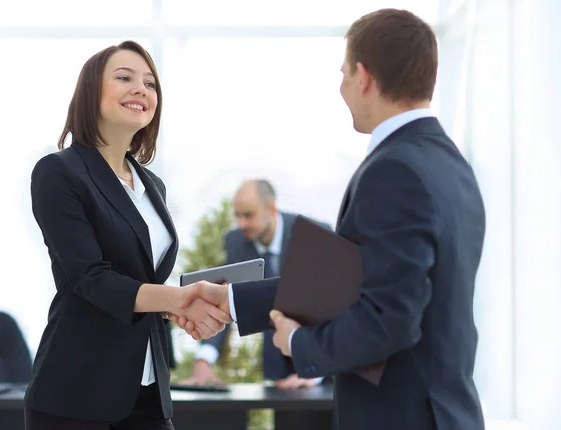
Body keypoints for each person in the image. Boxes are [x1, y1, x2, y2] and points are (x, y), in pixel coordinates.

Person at [175, 8, 486, 430]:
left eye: (343, 74)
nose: (342, 87)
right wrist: (229, 300)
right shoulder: (450, 165)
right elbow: (348, 285)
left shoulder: (394, 170)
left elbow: (390, 317)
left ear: (364, 76)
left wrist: (301, 343)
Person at [25, 41, 231, 430]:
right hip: (78, 393)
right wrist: (180, 299)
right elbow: (91, 278)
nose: (142, 89)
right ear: (91, 92)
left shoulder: (151, 185)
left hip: (148, 388)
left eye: (150, 83)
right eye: (124, 78)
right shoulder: (59, 173)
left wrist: (175, 307)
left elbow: (140, 279)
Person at [182, 179, 328, 389]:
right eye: (238, 215)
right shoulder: (237, 243)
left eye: (248, 215)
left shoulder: (312, 234)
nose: (241, 223)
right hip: (276, 369)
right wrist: (203, 361)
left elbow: (330, 303)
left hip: (320, 365)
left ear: (271, 209)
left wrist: (315, 369)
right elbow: (227, 297)